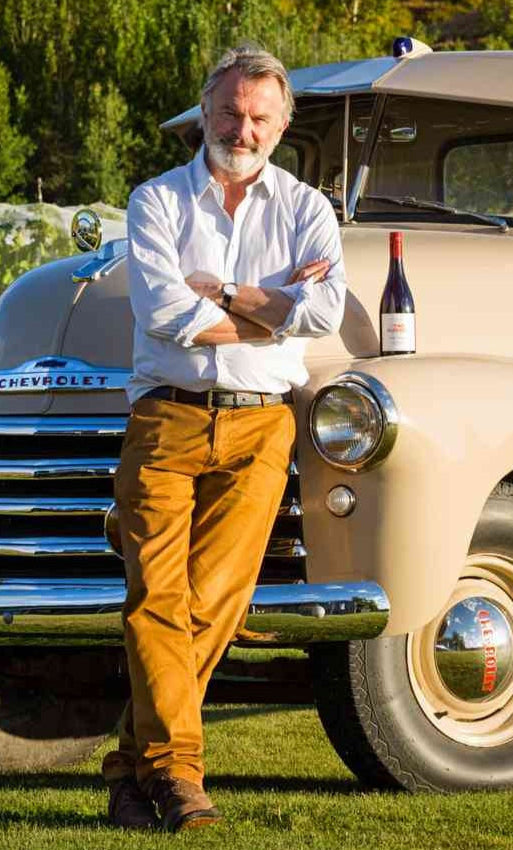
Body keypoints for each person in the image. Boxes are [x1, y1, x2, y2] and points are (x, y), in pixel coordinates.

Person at [100, 44, 346, 832]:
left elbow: (324, 313)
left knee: (210, 605)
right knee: (156, 602)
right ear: (205, 114)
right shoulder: (157, 203)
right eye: (230, 113)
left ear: (281, 125)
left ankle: (129, 769)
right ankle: (176, 781)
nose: (243, 129)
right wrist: (269, 311)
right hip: (164, 421)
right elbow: (165, 315)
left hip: (261, 428)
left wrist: (233, 295)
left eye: (259, 117)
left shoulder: (308, 208)